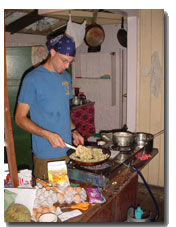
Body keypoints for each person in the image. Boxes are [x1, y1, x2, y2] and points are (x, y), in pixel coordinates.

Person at [15, 35, 84, 180]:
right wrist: (47, 135)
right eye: (64, 60)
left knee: (68, 197)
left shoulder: (66, 76)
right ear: (52, 52)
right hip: (47, 156)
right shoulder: (32, 79)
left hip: (68, 152)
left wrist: (74, 131)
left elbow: (63, 111)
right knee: (50, 201)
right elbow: (19, 119)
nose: (67, 66)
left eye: (70, 62)